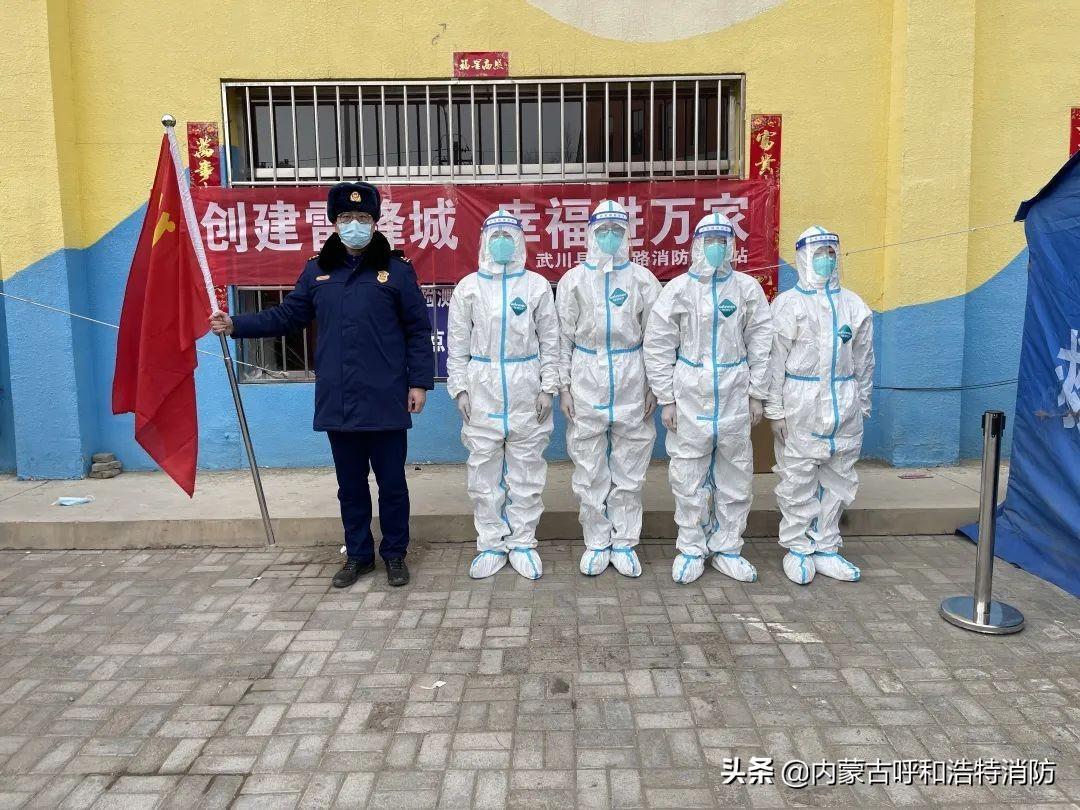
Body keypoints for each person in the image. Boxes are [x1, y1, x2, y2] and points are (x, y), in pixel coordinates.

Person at [209, 182, 433, 589]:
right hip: (338, 397)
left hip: (385, 396)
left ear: (374, 222)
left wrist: (418, 383)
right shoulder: (316, 270)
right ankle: (359, 556)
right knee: (350, 486)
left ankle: (395, 554)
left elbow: (418, 330)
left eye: (362, 217)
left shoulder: (397, 270)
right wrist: (236, 324)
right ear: (334, 223)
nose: (354, 225)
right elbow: (287, 317)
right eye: (346, 218)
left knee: (392, 484)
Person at [644, 212, 772, 585]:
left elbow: (761, 340)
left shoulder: (747, 289)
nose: (716, 248)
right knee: (688, 475)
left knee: (735, 475)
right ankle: (691, 548)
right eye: (710, 241)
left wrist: (757, 394)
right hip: (690, 393)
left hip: (734, 392)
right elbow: (659, 345)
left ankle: (728, 548)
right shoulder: (678, 290)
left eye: (722, 241)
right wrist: (667, 398)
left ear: (731, 246)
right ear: (697, 246)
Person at [446, 210, 560, 580]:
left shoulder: (536, 286)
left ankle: (523, 542)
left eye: (507, 236)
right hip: (483, 385)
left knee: (527, 469)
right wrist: (460, 388)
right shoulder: (468, 288)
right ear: (483, 241)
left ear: (519, 241)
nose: (501, 242)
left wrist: (548, 387)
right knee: (483, 470)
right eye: (494, 236)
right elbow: (457, 345)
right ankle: (491, 543)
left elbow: (551, 341)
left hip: (525, 382)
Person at [557, 200, 661, 577]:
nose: (610, 237)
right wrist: (564, 387)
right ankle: (597, 540)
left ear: (627, 235)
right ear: (590, 234)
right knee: (589, 465)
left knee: (630, 465)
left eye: (618, 230)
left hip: (632, 373)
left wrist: (654, 386)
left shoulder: (643, 280)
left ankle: (625, 541)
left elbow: (657, 338)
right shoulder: (573, 281)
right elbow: (562, 338)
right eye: (603, 231)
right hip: (587, 375)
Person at [765, 226, 874, 584]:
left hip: (843, 400)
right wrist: (775, 410)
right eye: (818, 253)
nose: (826, 259)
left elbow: (864, 359)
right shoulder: (788, 305)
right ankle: (798, 547)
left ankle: (826, 546)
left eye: (831, 252)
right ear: (803, 258)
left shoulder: (853, 306)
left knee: (839, 476)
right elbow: (774, 361)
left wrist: (863, 401)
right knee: (798, 476)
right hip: (801, 401)